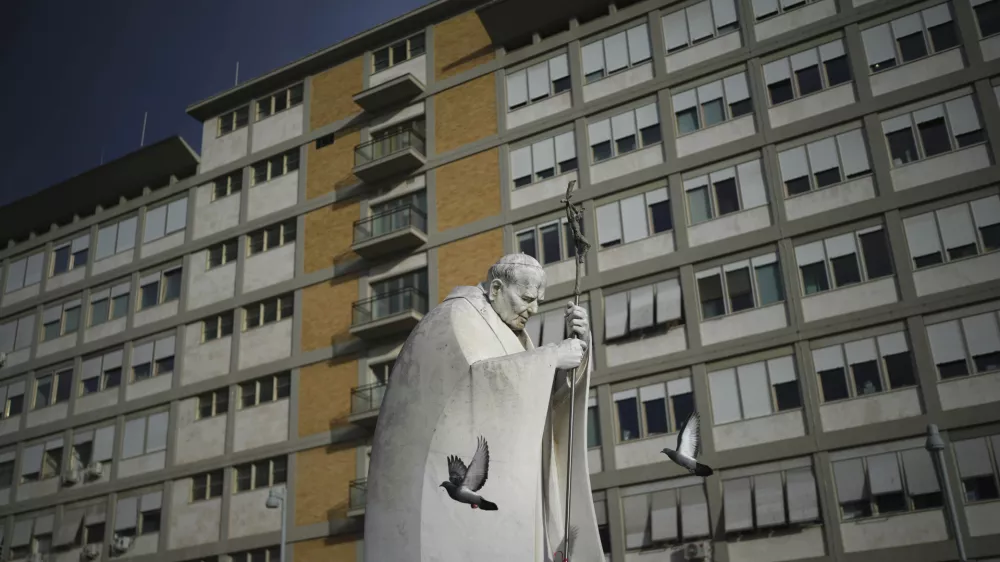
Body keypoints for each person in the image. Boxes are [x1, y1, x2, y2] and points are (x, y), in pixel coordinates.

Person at [364, 253, 603, 561]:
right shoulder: (453, 317)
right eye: (527, 299)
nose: (534, 309)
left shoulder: (510, 330)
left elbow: (540, 402)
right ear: (496, 289)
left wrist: (578, 349)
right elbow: (468, 383)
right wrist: (551, 358)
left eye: (538, 301)